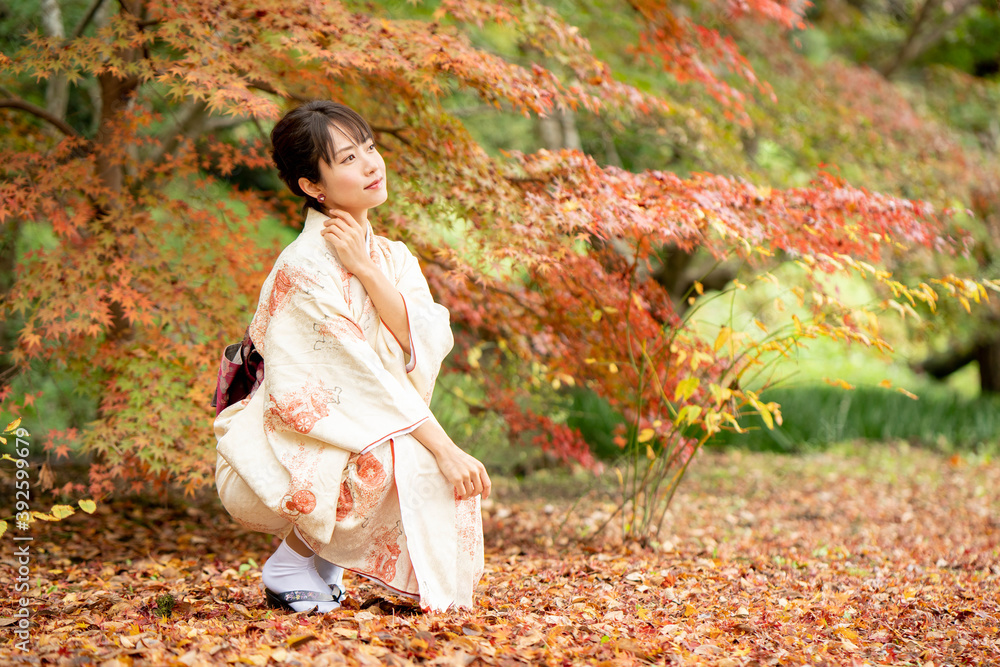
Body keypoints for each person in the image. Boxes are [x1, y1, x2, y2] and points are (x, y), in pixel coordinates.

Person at [214, 100, 491, 613]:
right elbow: (355, 380)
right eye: (347, 158)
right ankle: (290, 563)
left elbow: (422, 338)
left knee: (416, 454)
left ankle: (325, 563)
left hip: (359, 426)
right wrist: (447, 447)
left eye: (369, 147)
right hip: (288, 444)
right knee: (415, 456)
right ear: (312, 186)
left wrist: (365, 270)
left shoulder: (390, 255)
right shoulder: (302, 268)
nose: (371, 164)